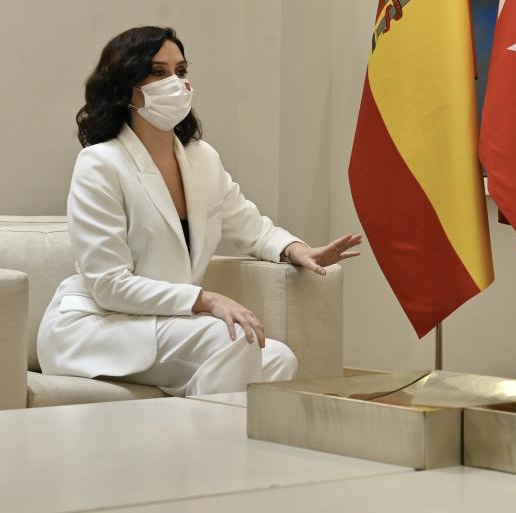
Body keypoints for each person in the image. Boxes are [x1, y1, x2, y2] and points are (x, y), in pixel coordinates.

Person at [37, 26, 362, 396]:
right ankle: (202, 447)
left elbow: (251, 226)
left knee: (278, 358)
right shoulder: (100, 163)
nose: (175, 83)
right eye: (158, 72)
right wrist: (204, 300)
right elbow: (108, 285)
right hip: (97, 325)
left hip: (165, 326)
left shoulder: (202, 158)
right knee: (238, 340)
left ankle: (195, 441)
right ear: (125, 86)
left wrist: (299, 250)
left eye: (180, 70)